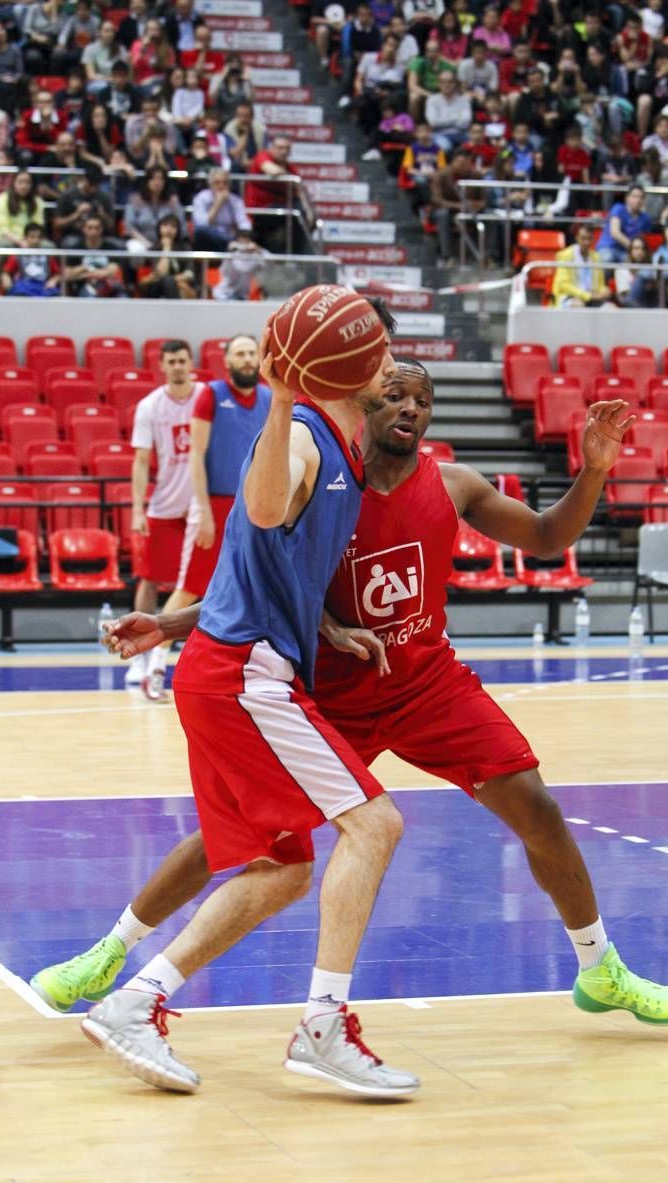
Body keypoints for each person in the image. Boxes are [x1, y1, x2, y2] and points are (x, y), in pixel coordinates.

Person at [31, 359, 668, 1081]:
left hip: (426, 682)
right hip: (332, 692)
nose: (411, 407)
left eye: (424, 399)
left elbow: (543, 538)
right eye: (396, 395)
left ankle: (600, 967)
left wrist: (594, 469)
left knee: (537, 805)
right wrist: (173, 623)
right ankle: (110, 949)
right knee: (246, 838)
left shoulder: (452, 483)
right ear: (364, 404)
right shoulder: (326, 479)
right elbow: (263, 579)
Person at [51, 308, 424, 1100]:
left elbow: (264, 556)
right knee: (376, 823)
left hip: (227, 668)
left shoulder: (346, 450)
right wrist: (284, 400)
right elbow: (259, 510)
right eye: (379, 349)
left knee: (282, 868)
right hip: (246, 677)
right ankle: (321, 1024)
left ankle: (135, 999)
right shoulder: (300, 434)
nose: (389, 363)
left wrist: (325, 623)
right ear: (346, 361)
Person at [144, 334, 273, 702]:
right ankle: (155, 665)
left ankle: (251, 669)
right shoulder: (211, 395)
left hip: (254, 506)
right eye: (240, 354)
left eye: (252, 353)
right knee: (188, 588)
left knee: (257, 588)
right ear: (228, 362)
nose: (247, 359)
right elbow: (196, 457)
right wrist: (201, 511)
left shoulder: (268, 398)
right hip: (215, 506)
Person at [129, 341, 203, 691]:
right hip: (164, 505)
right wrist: (137, 509)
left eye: (182, 361)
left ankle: (191, 653)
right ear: (162, 365)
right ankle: (140, 656)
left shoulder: (207, 397)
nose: (177, 366)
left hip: (202, 507)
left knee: (197, 584)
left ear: (191, 363)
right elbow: (142, 460)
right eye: (171, 361)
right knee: (149, 579)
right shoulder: (150, 406)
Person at [551, 223, 612, 309]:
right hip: (570, 296)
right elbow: (563, 285)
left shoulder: (596, 257)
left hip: (592, 297)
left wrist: (604, 291)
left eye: (589, 239)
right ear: (577, 238)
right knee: (579, 306)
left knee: (611, 308)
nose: (586, 242)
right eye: (583, 238)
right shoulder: (565, 255)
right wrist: (586, 295)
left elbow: (600, 284)